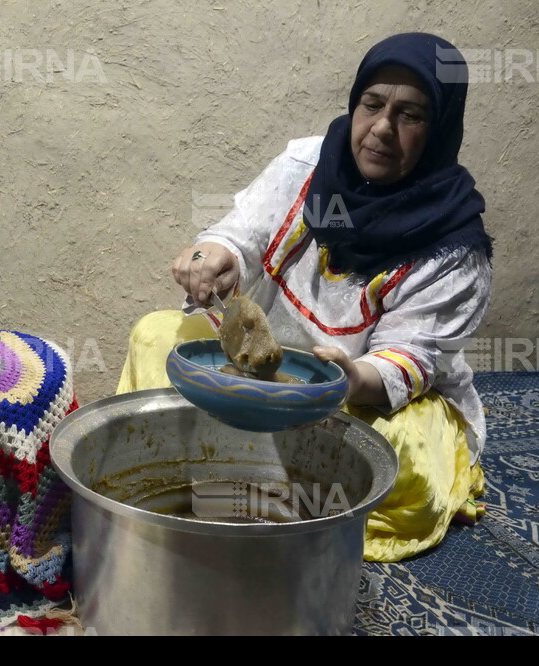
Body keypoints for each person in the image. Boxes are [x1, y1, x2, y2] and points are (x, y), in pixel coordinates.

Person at [116, 32, 493, 562]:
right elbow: (242, 231)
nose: (382, 129)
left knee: (410, 452)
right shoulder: (308, 165)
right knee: (157, 336)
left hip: (355, 395)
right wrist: (213, 255)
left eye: (411, 115)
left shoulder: (452, 246)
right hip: (258, 372)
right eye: (372, 104)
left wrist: (348, 377)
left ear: (440, 128)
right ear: (355, 102)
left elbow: (411, 357)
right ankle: (258, 477)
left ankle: (247, 482)